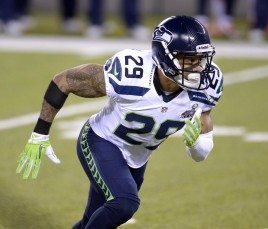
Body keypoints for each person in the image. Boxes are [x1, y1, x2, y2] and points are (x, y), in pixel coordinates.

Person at [16, 15, 223, 228]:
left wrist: (196, 145)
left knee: (93, 219)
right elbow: (64, 80)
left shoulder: (208, 84)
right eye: (189, 60)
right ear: (164, 56)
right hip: (101, 141)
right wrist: (40, 132)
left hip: (138, 158)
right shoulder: (132, 72)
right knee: (124, 203)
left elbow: (203, 141)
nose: (198, 68)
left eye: (200, 59)